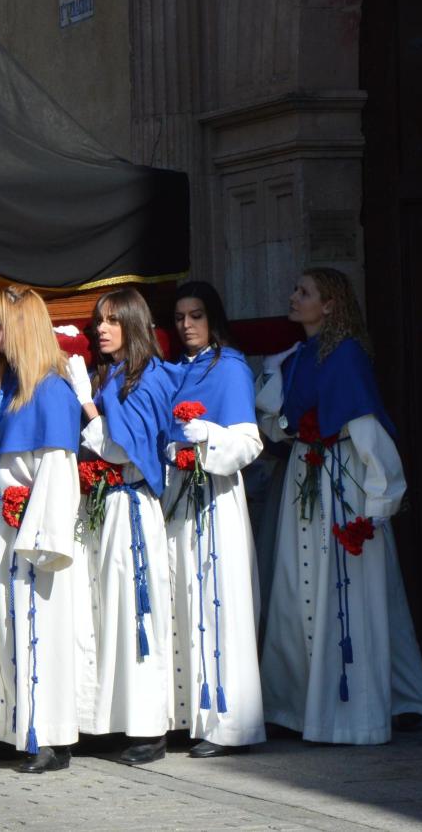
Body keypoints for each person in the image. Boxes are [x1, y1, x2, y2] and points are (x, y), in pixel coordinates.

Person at [257, 268, 422, 745]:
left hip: (343, 480)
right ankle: (294, 705)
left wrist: (379, 501)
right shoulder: (299, 355)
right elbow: (277, 427)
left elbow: (368, 429)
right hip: (305, 475)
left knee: (353, 593)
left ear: (329, 304)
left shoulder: (347, 355)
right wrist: (274, 373)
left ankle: (363, 709)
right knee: (297, 588)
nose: (293, 297)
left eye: (304, 292)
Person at [0, 287, 82, 773]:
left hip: (27, 523)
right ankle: (3, 728)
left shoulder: (51, 391)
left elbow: (57, 473)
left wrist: (39, 536)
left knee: (34, 626)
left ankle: (48, 736)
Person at [71, 286, 181, 765]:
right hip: (106, 506)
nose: (101, 329)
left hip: (132, 503)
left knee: (137, 615)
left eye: (112, 320)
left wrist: (88, 407)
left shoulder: (148, 377)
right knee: (108, 614)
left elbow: (122, 448)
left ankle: (148, 728)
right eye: (99, 321)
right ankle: (115, 721)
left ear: (133, 325)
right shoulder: (113, 375)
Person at [163, 281, 266, 756]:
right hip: (179, 500)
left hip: (216, 497)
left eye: (196, 315)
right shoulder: (176, 371)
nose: (187, 325)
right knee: (184, 602)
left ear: (213, 317)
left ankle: (228, 725)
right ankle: (189, 716)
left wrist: (207, 439)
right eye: (180, 317)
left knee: (218, 603)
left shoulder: (231, 368)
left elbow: (249, 442)